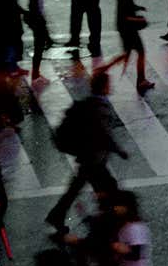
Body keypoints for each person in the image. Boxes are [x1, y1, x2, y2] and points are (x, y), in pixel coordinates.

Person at [45, 71, 128, 232]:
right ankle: (109, 221)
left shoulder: (89, 103)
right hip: (94, 158)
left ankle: (57, 215)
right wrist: (119, 150)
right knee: (108, 187)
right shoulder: (100, 107)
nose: (110, 86)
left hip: (87, 156)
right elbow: (103, 134)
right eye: (108, 84)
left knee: (78, 188)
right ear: (104, 86)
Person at [109, 0, 154, 95]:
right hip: (129, 29)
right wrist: (140, 19)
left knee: (127, 54)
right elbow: (125, 15)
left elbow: (128, 8)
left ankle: (106, 71)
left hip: (125, 29)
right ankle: (141, 80)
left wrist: (138, 8)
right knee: (140, 52)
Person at [28, 0, 54, 83]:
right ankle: (35, 74)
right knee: (39, 47)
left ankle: (36, 73)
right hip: (37, 18)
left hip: (36, 17)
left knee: (40, 45)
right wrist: (41, 20)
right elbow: (37, 2)